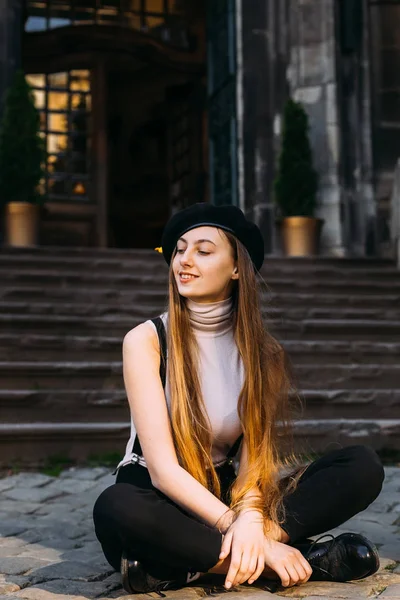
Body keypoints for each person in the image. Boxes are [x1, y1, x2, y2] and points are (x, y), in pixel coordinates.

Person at [93, 203, 385, 595]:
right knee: (116, 507)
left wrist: (249, 517)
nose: (185, 260)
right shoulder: (146, 340)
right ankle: (282, 563)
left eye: (203, 250)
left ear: (235, 268)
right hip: (160, 495)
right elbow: (162, 471)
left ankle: (185, 567)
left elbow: (254, 461)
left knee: (361, 466)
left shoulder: (264, 353)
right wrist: (240, 528)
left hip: (230, 492)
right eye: (180, 250)